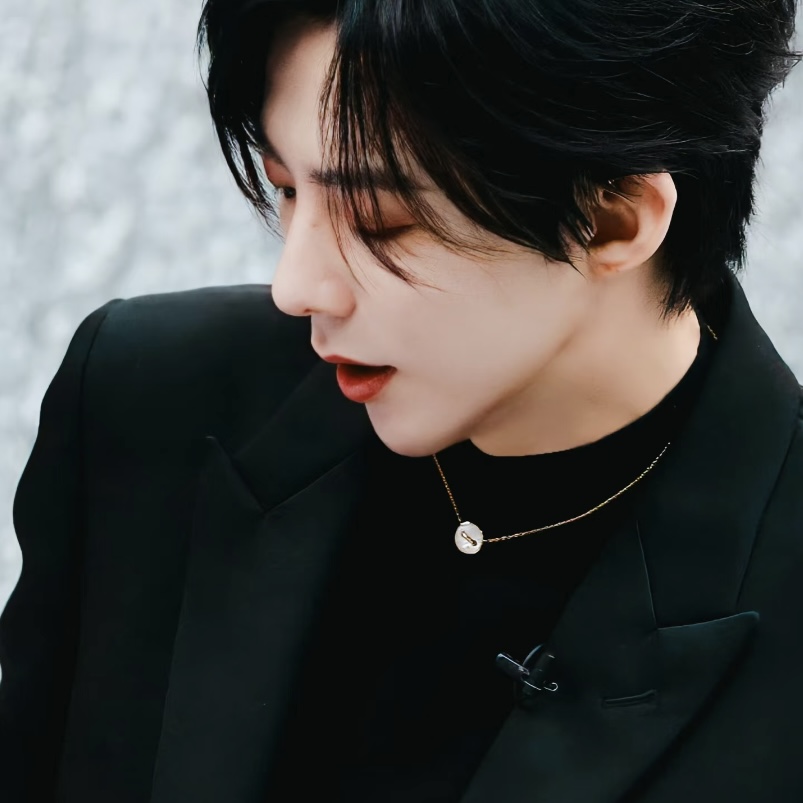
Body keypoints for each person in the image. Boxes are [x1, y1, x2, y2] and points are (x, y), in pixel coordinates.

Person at [1, 0, 802, 800]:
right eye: (286, 190)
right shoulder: (149, 400)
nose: (296, 286)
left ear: (611, 220)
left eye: (379, 221)